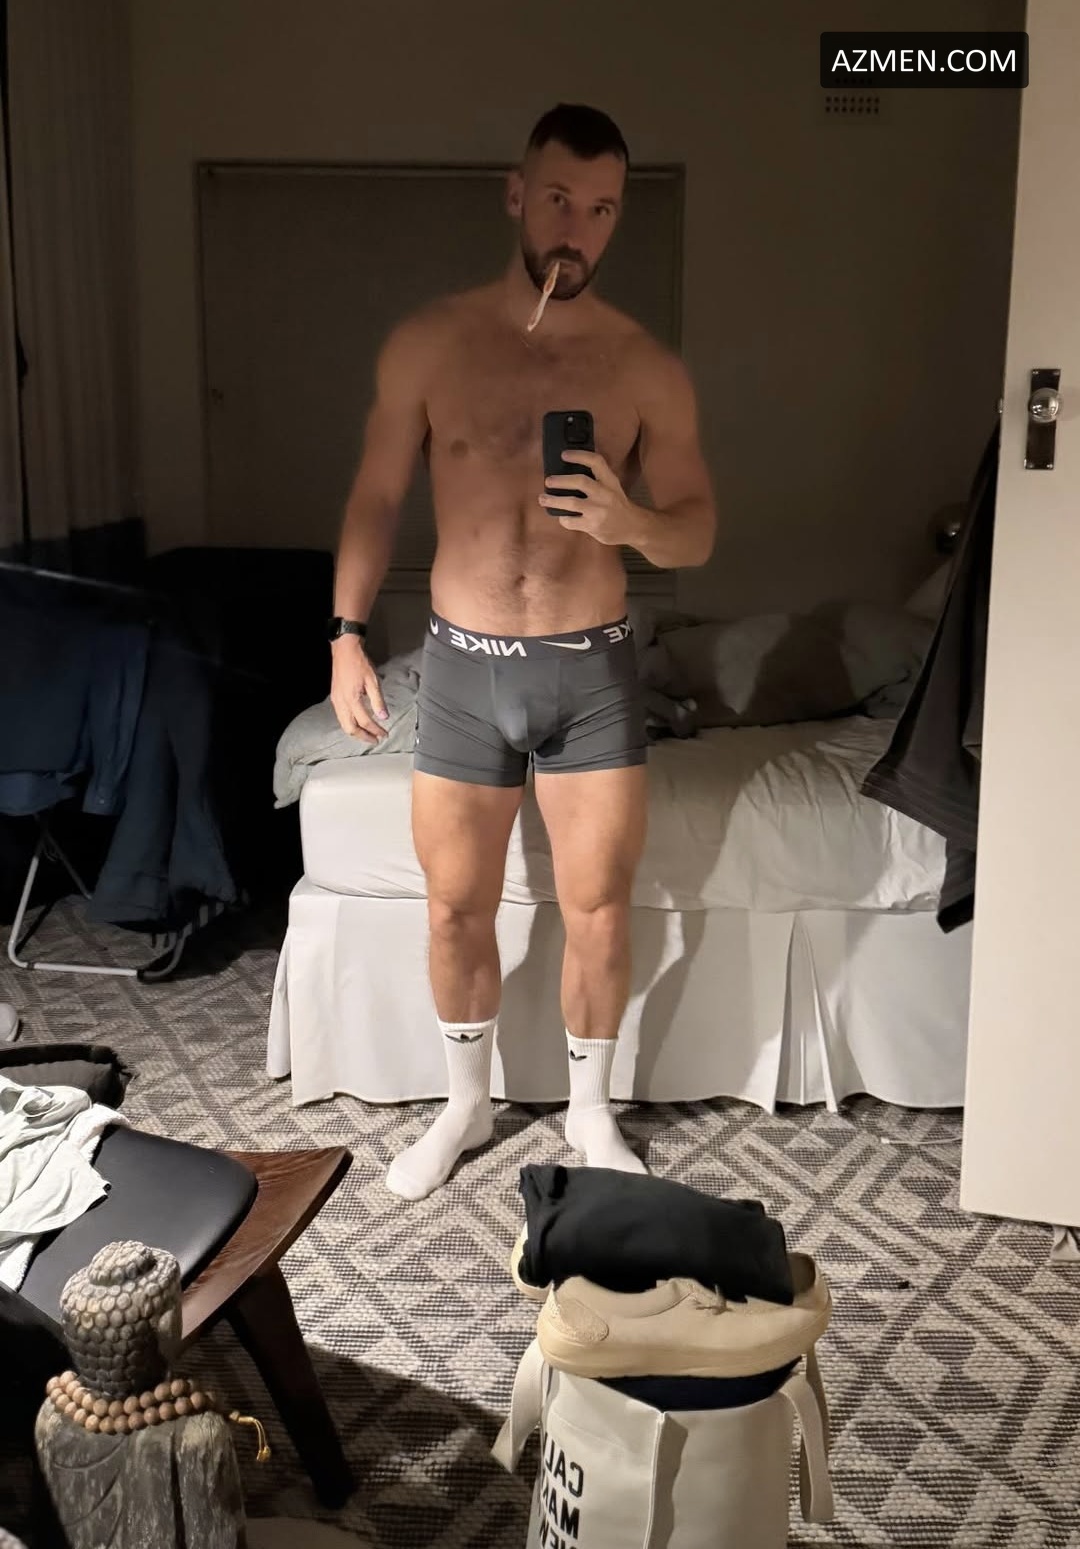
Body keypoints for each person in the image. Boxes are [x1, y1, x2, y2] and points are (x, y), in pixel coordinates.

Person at [328, 103, 716, 1200]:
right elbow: (375, 496)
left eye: (602, 210)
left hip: (591, 671)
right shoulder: (431, 343)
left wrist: (630, 522)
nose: (577, 229)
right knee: (455, 905)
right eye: (558, 200)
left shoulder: (643, 366)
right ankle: (466, 1104)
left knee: (597, 906)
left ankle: (591, 1113)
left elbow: (696, 527)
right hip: (462, 666)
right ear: (516, 194)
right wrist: (346, 635)